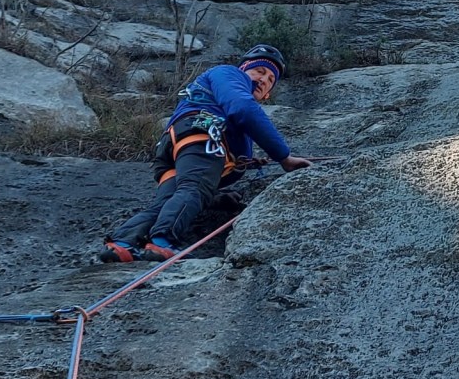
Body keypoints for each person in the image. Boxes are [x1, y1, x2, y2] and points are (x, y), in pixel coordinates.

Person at [99, 44, 312, 263]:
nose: (263, 79)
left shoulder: (222, 105)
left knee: (168, 200)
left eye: (270, 79)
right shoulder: (228, 74)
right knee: (194, 188)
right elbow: (243, 108)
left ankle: (121, 243)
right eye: (259, 71)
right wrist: (283, 157)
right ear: (243, 69)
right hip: (201, 136)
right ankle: (162, 242)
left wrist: (218, 195)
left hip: (178, 148)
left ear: (267, 94)